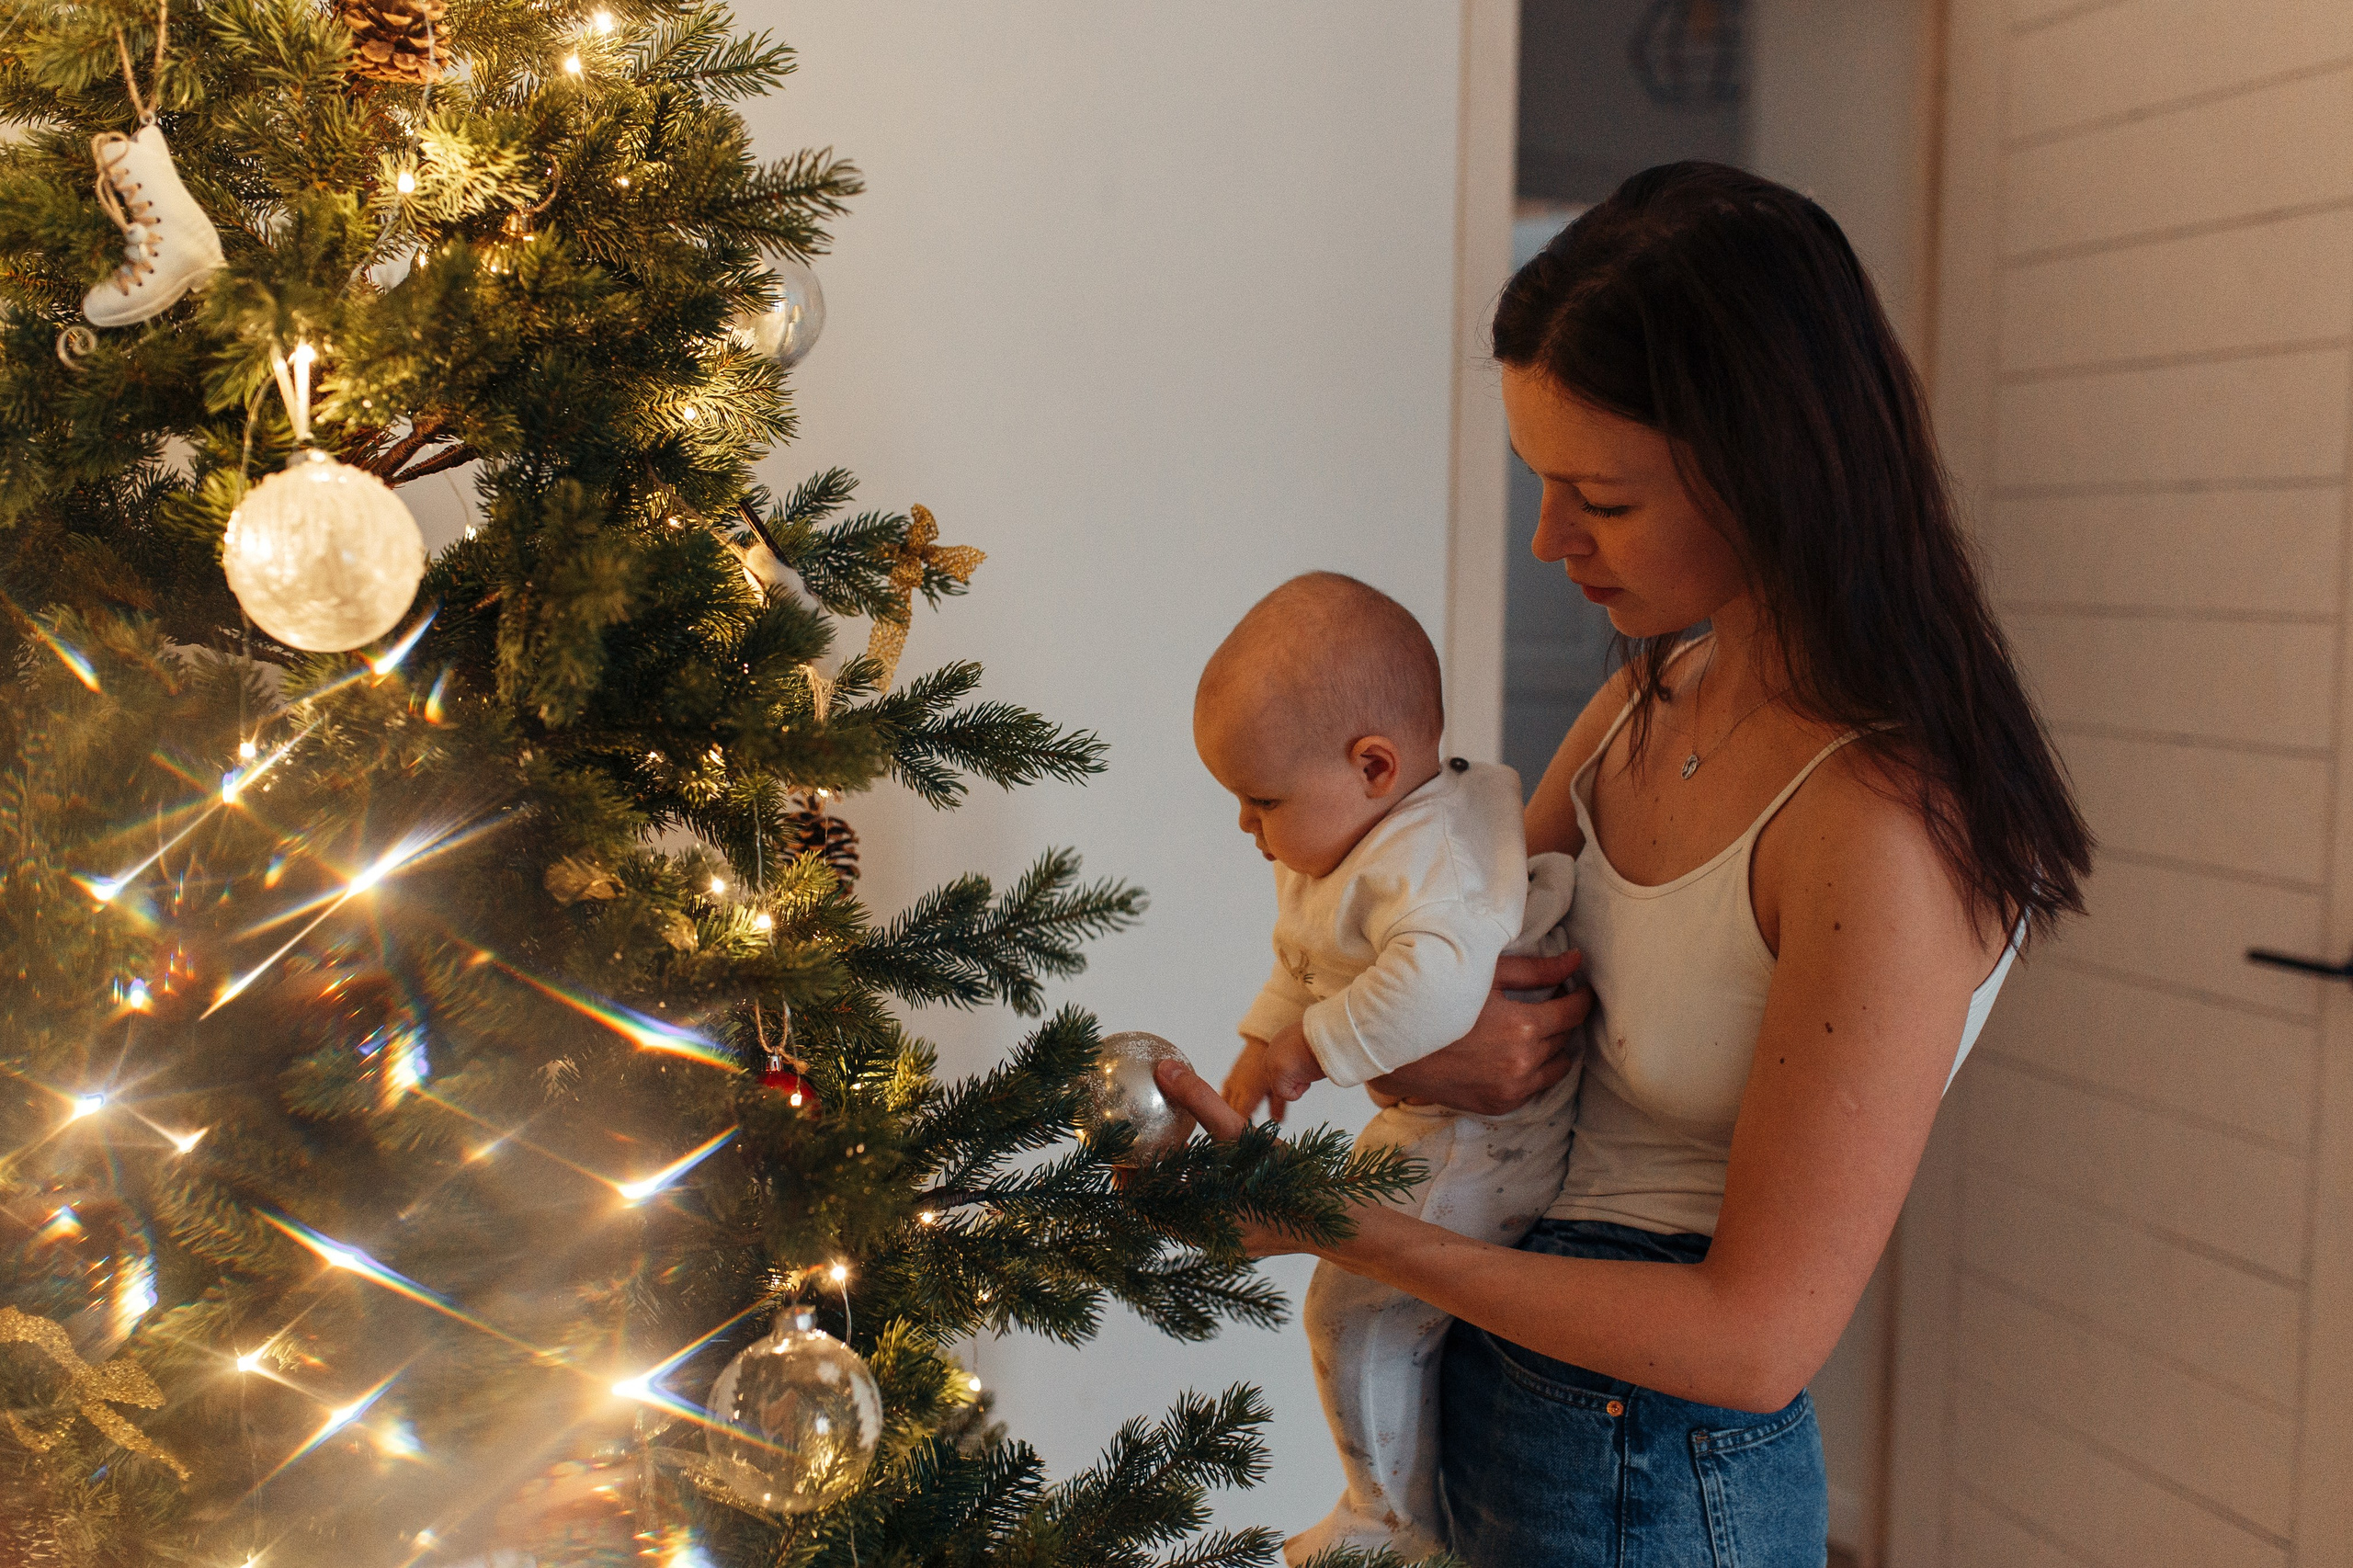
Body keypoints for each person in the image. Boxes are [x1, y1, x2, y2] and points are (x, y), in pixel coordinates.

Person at [1158, 162, 2093, 1567]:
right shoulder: (1647, 700)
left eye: (1602, 496)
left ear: (1770, 467)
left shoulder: (1884, 827)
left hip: (1656, 1474)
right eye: (1544, 482)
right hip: (1502, 1392)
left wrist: (1340, 1224)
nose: (1550, 541)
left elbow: (1755, 1339)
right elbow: (1451, 1009)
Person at [1194, 571, 1580, 1563]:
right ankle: (1392, 1507)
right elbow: (1300, 959)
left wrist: (1310, 1050)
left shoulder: (1434, 859)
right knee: (1369, 1309)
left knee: (1353, 1305)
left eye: (1260, 799)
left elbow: (1440, 990)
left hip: (1494, 1137)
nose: (1246, 826)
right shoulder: (1334, 847)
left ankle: (1388, 1524)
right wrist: (1256, 1054)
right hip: (1438, 1122)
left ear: (1373, 765)